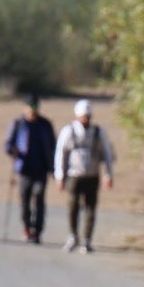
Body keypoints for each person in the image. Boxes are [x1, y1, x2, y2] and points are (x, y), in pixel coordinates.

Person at [55, 98, 116, 254]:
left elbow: (107, 154)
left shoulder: (98, 133)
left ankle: (86, 240)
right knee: (72, 207)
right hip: (74, 176)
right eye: (83, 116)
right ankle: (73, 236)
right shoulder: (68, 132)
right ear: (77, 116)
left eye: (88, 116)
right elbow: (61, 154)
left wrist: (108, 174)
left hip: (92, 175)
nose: (86, 119)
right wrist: (59, 176)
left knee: (90, 208)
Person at [5, 95, 57, 244]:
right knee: (25, 201)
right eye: (29, 107)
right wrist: (12, 150)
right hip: (23, 169)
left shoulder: (45, 124)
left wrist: (53, 168)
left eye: (34, 107)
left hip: (41, 168)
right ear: (24, 108)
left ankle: (37, 231)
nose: (32, 110)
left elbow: (53, 146)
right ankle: (27, 228)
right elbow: (8, 144)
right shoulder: (17, 124)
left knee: (39, 196)